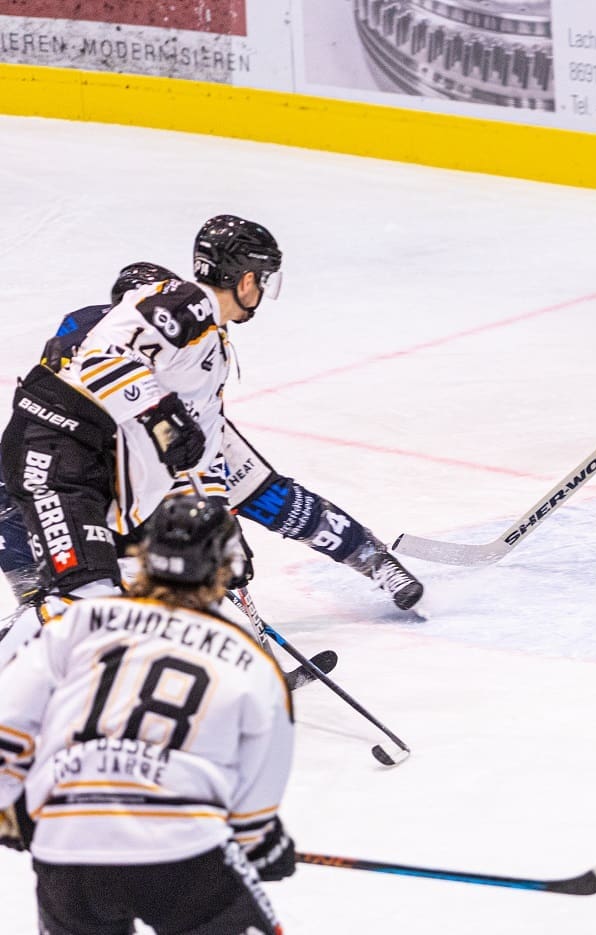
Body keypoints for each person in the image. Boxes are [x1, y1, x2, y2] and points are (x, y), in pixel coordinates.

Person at [0, 257, 425, 614]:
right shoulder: (94, 328)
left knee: (268, 497)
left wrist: (218, 519)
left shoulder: (189, 330)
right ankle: (38, 600)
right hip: (110, 448)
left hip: (180, 430)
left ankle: (372, 558)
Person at [0, 494, 295, 934]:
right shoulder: (248, 659)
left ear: (144, 555)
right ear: (222, 567)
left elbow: (8, 724)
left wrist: (16, 812)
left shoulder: (77, 623)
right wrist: (263, 845)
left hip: (68, 852)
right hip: (181, 854)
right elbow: (257, 794)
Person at [0, 216, 278, 611]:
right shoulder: (185, 302)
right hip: (54, 451)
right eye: (264, 280)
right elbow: (100, 360)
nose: (263, 291)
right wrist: (159, 413)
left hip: (96, 471)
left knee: (124, 600)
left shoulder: (211, 345)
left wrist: (218, 525)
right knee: (85, 600)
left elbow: (196, 454)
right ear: (247, 280)